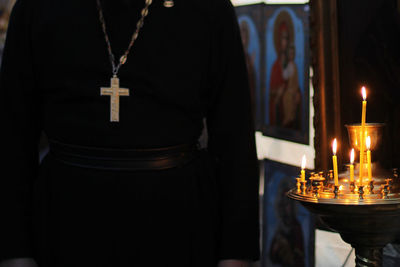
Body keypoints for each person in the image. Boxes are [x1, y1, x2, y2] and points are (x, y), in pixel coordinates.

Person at [0, 0, 259, 267]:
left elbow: (235, 140)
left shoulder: (208, 8)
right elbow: (12, 137)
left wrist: (235, 253)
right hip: (65, 220)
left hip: (178, 222)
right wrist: (14, 250)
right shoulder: (36, 8)